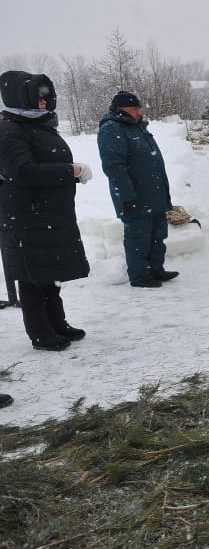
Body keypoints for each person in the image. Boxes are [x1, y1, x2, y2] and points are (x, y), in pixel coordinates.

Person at [0, 70, 91, 351]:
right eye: (37, 96)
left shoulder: (36, 125)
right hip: (27, 215)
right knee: (33, 277)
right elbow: (23, 171)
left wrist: (68, 174)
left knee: (50, 275)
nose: (43, 102)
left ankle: (58, 323)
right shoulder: (9, 129)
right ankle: (41, 334)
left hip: (49, 213)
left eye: (45, 96)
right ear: (20, 96)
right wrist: (70, 171)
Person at [98, 91, 177, 287]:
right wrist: (126, 196)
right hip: (135, 196)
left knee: (158, 235)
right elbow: (114, 166)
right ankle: (140, 276)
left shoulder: (138, 127)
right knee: (138, 238)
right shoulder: (112, 129)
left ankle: (156, 270)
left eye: (138, 108)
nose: (137, 112)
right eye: (133, 109)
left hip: (154, 194)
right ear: (120, 109)